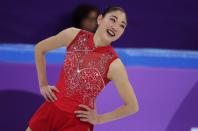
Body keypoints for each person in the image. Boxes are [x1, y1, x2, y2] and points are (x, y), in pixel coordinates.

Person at [26, 6, 139, 131]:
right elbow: (40, 49)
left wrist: (99, 119)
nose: (116, 27)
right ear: (100, 19)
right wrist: (43, 84)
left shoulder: (115, 65)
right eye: (113, 20)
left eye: (122, 25)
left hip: (77, 124)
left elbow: (132, 106)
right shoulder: (73, 35)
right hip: (50, 110)